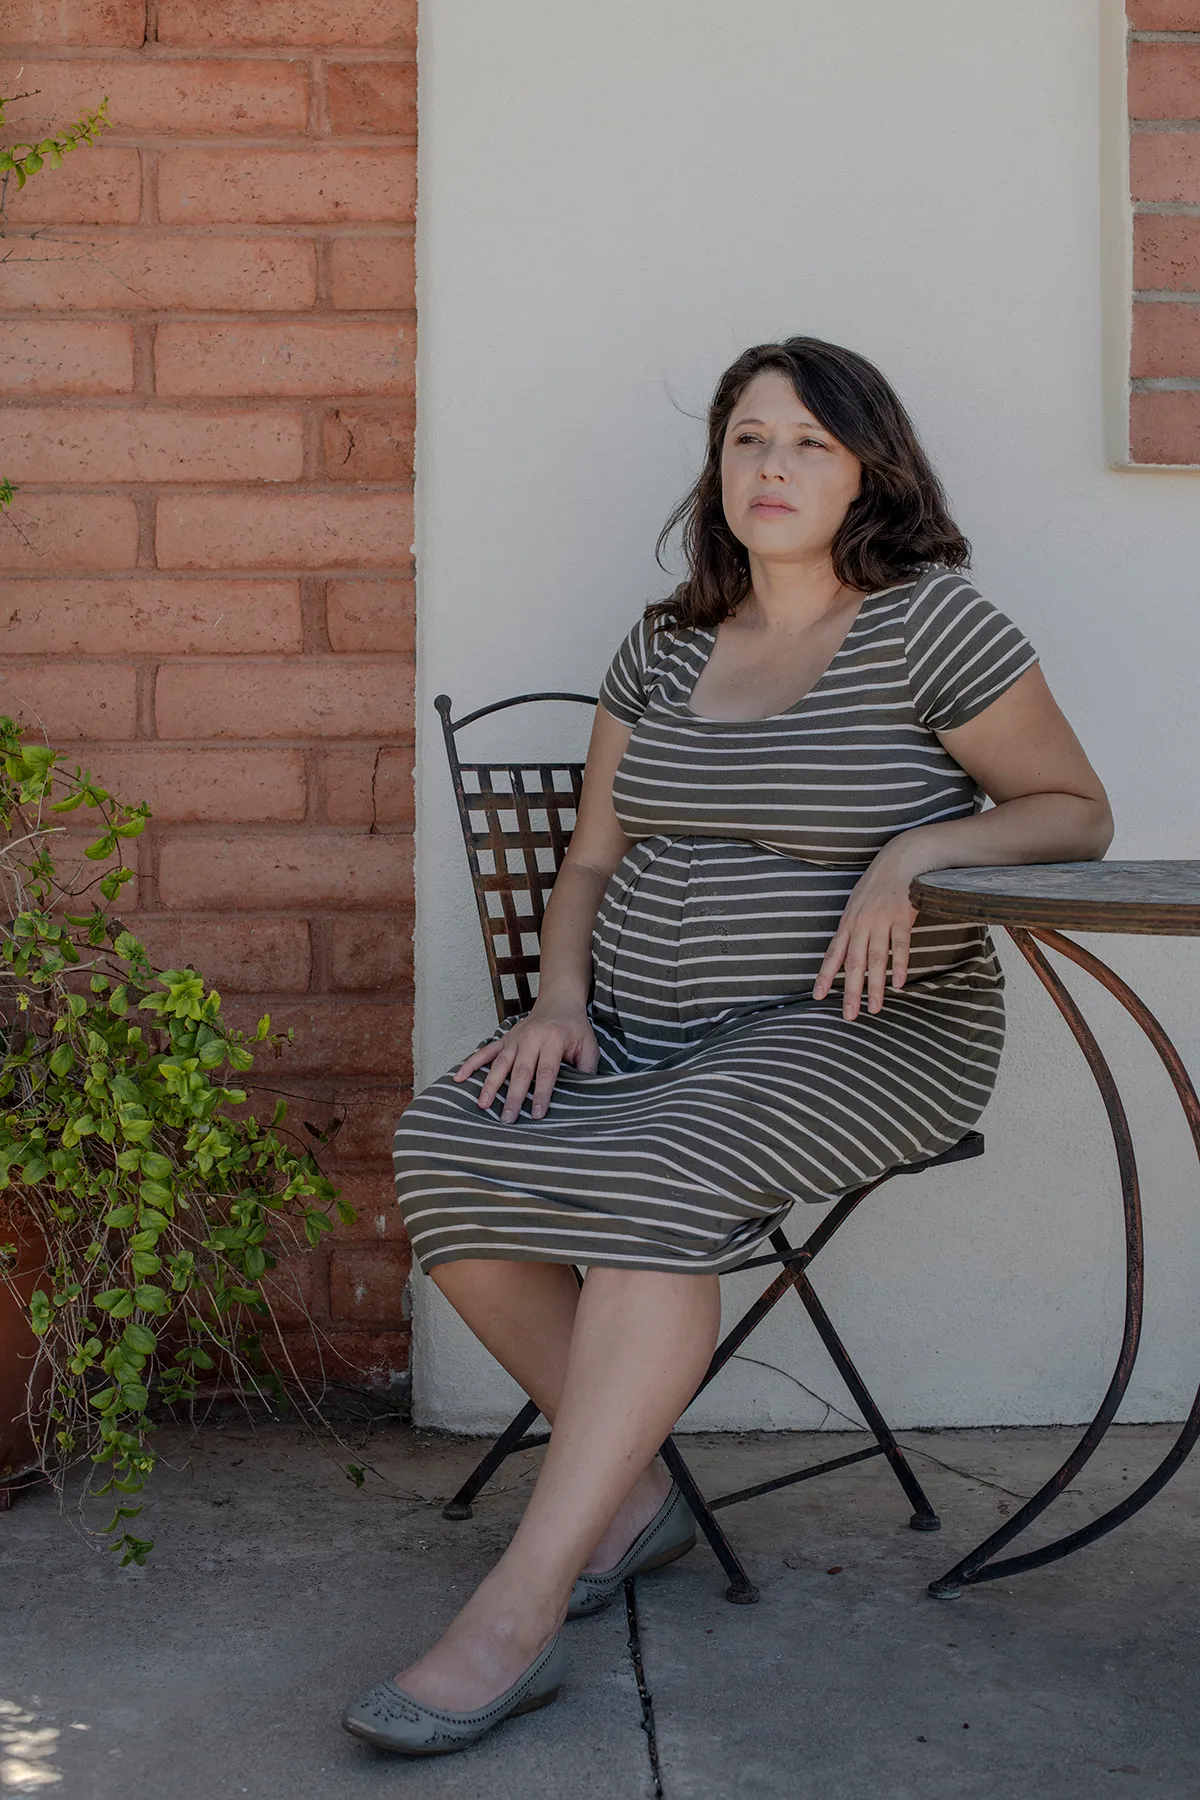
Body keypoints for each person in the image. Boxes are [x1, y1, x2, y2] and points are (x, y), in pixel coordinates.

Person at [342, 337, 1112, 1757]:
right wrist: (558, 1006)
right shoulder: (665, 643)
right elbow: (586, 866)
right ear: (718, 467)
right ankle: (631, 1501)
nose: (775, 465)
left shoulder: (932, 625)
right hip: (640, 1033)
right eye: (750, 437)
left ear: (870, 468)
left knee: (659, 1181)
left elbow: (1073, 810)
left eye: (812, 442)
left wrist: (921, 846)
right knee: (447, 1141)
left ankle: (520, 1601)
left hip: (863, 1032)